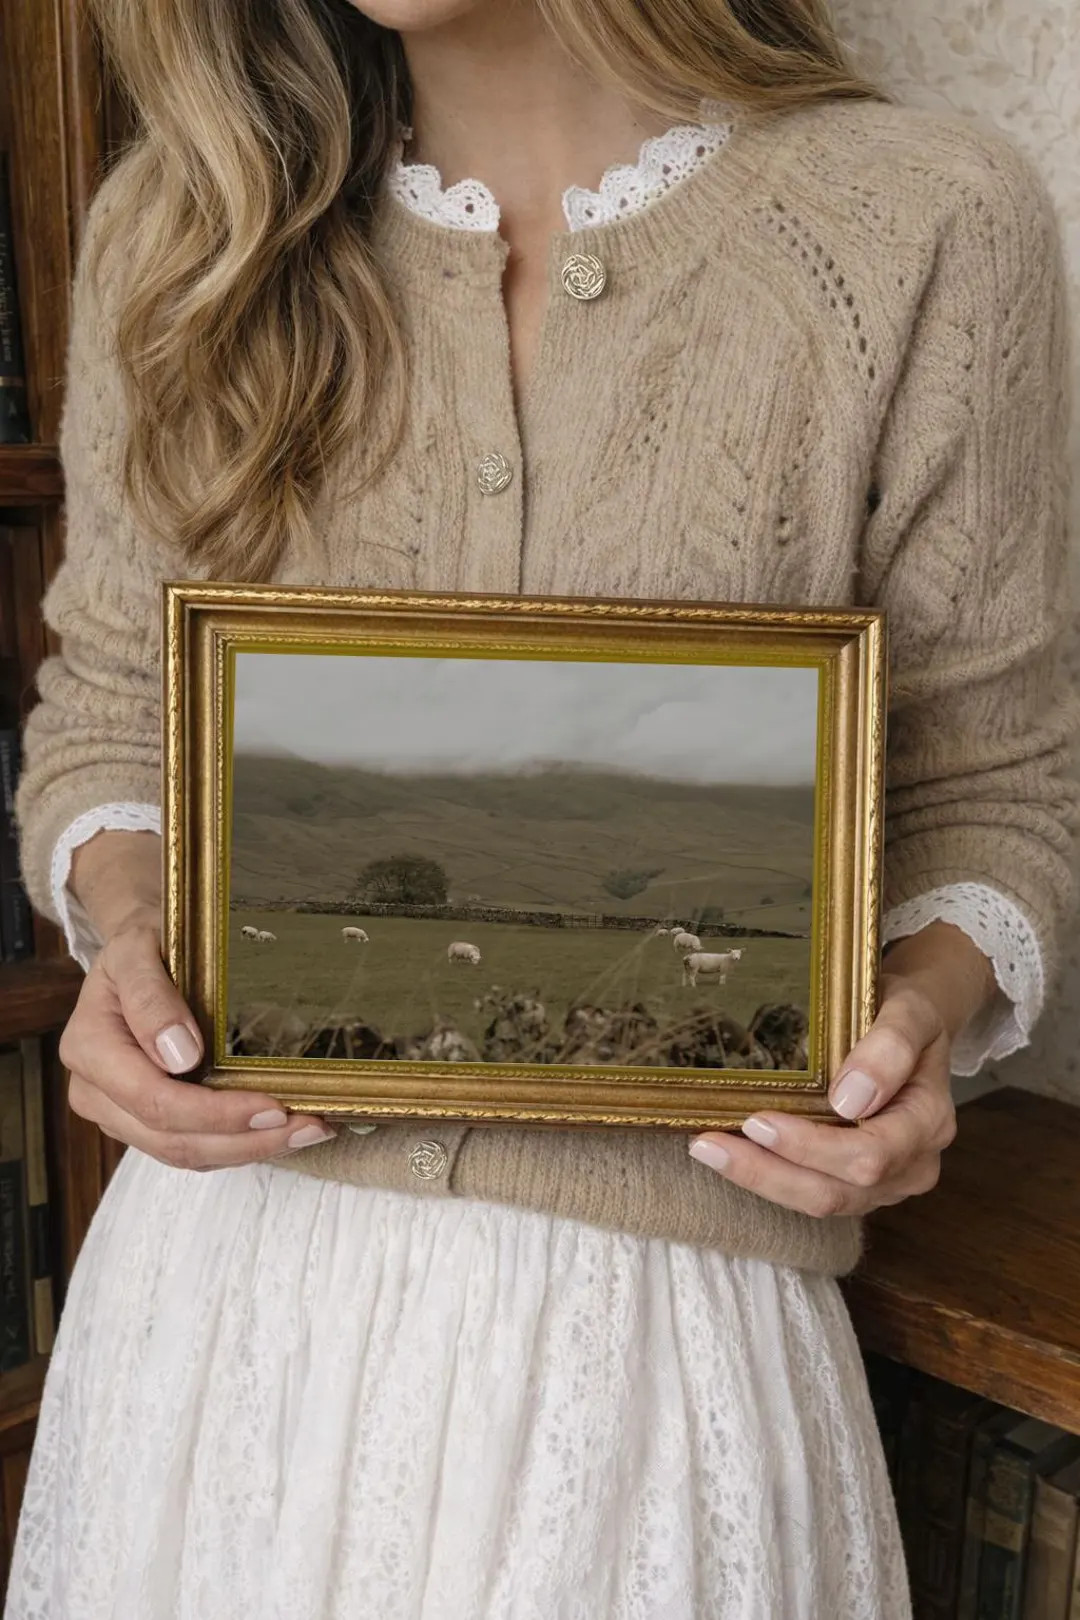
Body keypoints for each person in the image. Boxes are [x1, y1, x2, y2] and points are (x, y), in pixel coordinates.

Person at [6, 0, 1078, 1615]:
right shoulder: (185, 227)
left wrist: (912, 1020)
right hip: (224, 1317)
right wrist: (134, 939)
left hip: (662, 1344)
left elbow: (995, 787)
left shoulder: (926, 220)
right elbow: (106, 710)